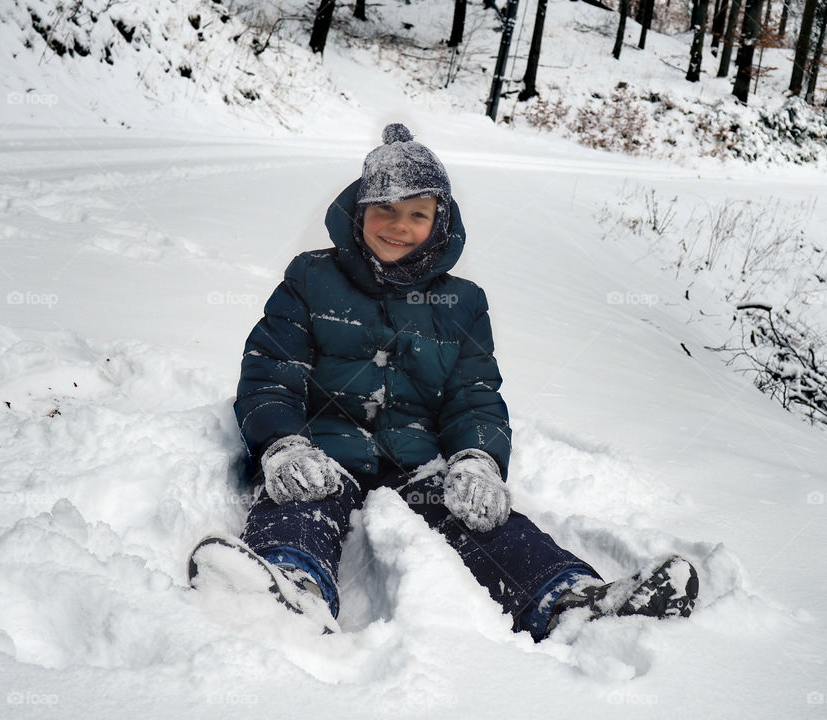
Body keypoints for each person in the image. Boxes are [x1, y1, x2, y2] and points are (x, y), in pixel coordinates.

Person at [219, 123, 697, 639]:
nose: (398, 226)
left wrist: (478, 459)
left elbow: (474, 396)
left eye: (417, 214)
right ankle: (291, 586)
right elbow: (272, 372)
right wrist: (283, 443)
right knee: (301, 499)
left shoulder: (463, 303)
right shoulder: (311, 278)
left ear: (440, 221)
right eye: (384, 210)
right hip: (325, 450)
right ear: (359, 213)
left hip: (418, 461)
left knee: (477, 514)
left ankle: (570, 599)